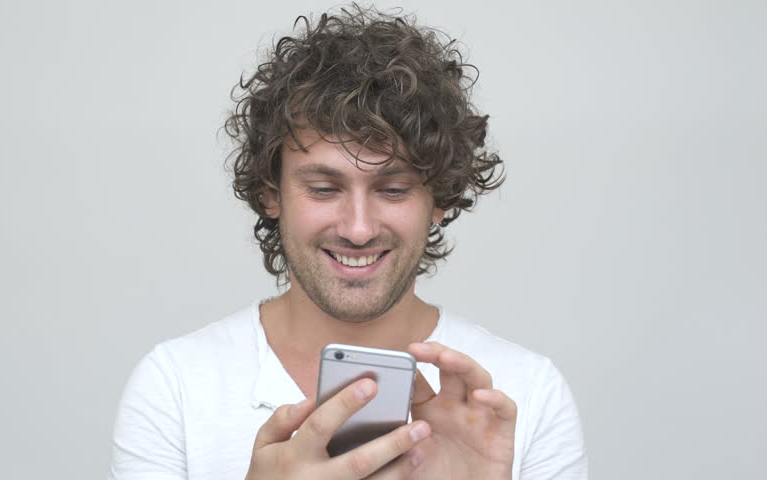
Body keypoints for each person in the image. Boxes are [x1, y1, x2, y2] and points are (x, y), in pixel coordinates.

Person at [109, 4, 587, 479]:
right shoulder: (175, 386)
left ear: (439, 198)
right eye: (323, 189)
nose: (359, 229)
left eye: (393, 190)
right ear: (271, 193)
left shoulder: (524, 394)